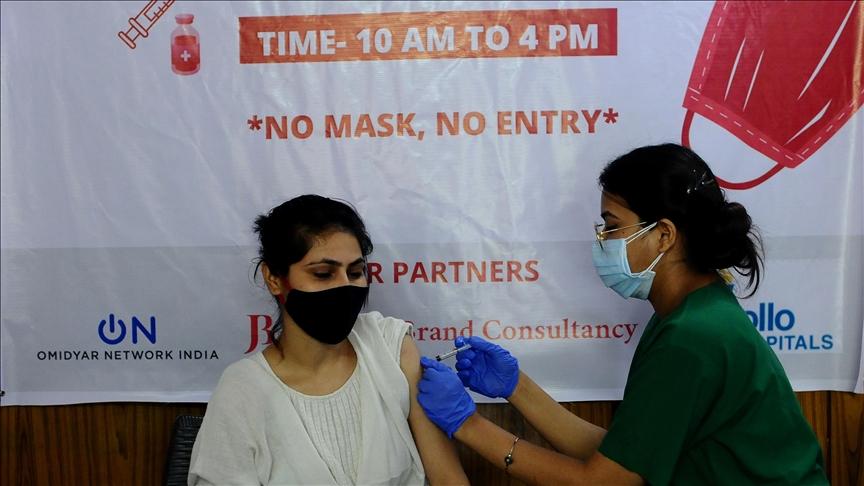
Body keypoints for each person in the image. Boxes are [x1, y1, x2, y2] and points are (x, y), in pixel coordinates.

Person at [416, 144, 828, 485]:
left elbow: (605, 481)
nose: (602, 241)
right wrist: (517, 387)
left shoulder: (692, 337)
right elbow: (624, 455)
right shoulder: (689, 314)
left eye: (611, 226)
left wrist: (467, 425)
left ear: (664, 234)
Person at [188, 195, 468, 485]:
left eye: (356, 272)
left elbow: (449, 479)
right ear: (273, 278)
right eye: (323, 274)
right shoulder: (243, 390)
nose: (345, 287)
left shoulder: (389, 346)